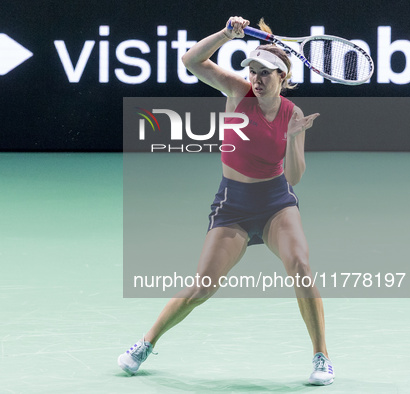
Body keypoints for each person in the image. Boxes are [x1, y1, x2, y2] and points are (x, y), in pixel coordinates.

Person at [118, 16, 335, 386]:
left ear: (283, 77)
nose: (256, 77)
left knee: (300, 265)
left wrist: (294, 136)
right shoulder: (237, 91)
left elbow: (295, 177)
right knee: (202, 285)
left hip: (275, 203)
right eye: (252, 70)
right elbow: (190, 61)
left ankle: (322, 357)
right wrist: (225, 34)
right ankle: (144, 344)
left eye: (265, 72)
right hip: (232, 206)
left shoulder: (292, 114)